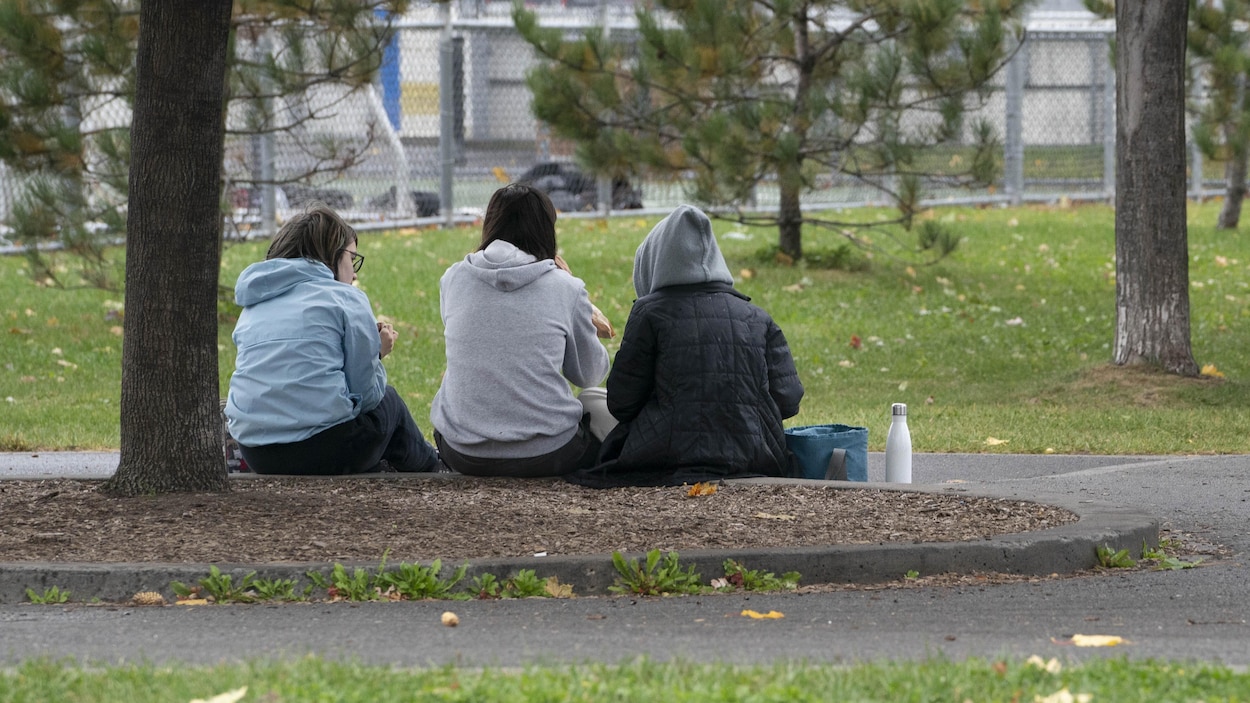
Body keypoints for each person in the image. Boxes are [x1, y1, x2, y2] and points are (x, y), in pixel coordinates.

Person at [567, 204, 805, 488]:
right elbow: (788, 401)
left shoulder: (649, 313)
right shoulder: (757, 317)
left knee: (590, 399)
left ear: (654, 263)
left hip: (663, 455)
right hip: (755, 457)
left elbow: (621, 403)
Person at [225, 203, 439, 475]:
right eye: (352, 258)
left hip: (257, 452)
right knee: (390, 402)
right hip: (325, 450)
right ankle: (433, 467)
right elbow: (367, 396)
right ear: (333, 255)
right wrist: (375, 354)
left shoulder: (254, 304)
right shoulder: (346, 298)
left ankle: (381, 465)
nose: (355, 272)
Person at [430, 183, 613, 477]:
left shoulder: (452, 279)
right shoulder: (566, 288)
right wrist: (580, 302)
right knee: (597, 403)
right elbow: (589, 374)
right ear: (545, 230)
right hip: (549, 453)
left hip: (461, 451)